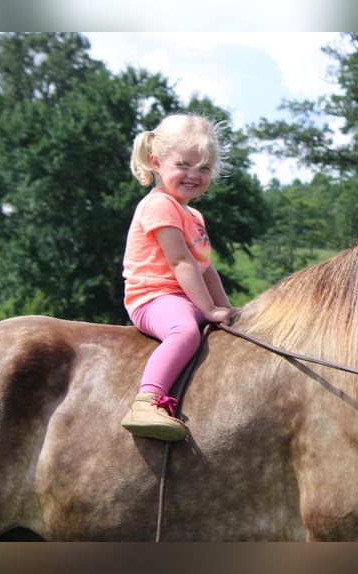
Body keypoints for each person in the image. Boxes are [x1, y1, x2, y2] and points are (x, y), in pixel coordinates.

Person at [121, 113, 237, 441]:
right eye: (184, 164)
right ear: (156, 162)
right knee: (185, 331)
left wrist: (227, 310)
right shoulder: (158, 206)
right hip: (153, 298)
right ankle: (147, 400)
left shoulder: (193, 215)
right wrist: (210, 311)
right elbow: (180, 262)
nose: (194, 175)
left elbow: (205, 269)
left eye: (203, 169)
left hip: (185, 297)